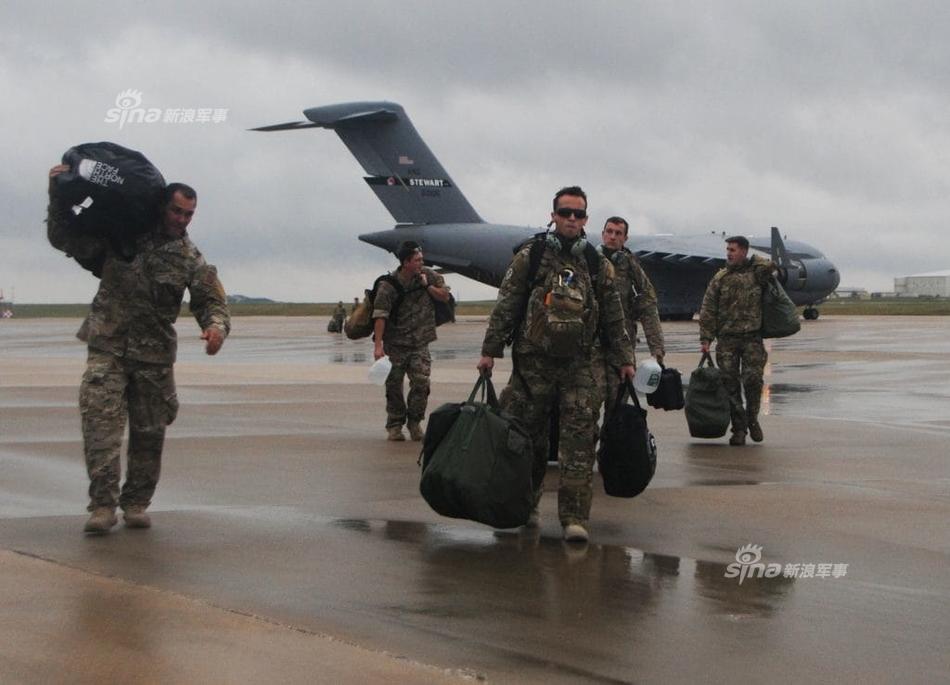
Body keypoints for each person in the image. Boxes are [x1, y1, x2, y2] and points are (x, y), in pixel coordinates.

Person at [47, 166, 231, 534]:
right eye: (177, 211)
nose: (181, 219)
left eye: (189, 214)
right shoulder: (123, 235)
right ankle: (102, 506)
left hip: (154, 357)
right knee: (101, 430)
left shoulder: (189, 257)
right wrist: (56, 193)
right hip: (108, 345)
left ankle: (135, 503)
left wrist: (215, 328)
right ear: (163, 206)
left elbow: (211, 299)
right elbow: (65, 238)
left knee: (149, 435)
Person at [477, 186, 635, 543]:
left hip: (582, 365)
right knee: (526, 437)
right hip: (534, 364)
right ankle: (526, 505)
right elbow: (508, 303)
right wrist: (490, 350)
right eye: (566, 213)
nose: (572, 219)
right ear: (553, 215)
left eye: (578, 214)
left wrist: (625, 359)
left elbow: (614, 315)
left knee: (579, 439)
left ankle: (574, 518)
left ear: (586, 220)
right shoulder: (531, 257)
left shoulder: (597, 264)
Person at [698, 235, 777, 445]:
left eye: (733, 250)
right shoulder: (720, 278)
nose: (729, 254)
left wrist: (755, 261)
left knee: (753, 381)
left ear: (743, 251)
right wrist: (706, 338)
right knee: (729, 386)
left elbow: (771, 267)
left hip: (752, 339)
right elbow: (708, 309)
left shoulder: (757, 274)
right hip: (727, 341)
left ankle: (752, 419)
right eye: (728, 250)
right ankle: (739, 429)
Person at [373, 241, 450, 441]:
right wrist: (378, 346)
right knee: (393, 386)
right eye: (417, 260)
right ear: (406, 262)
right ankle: (395, 424)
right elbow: (380, 316)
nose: (421, 263)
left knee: (422, 383)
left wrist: (427, 286)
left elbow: (444, 296)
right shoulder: (387, 285)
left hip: (420, 343)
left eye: (421, 259)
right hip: (395, 344)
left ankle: (415, 423)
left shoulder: (429, 276)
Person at [595, 216, 665, 418]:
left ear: (625, 238)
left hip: (621, 346)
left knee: (617, 405)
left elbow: (648, 306)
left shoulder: (630, 265)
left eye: (618, 233)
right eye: (609, 232)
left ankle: (610, 448)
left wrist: (657, 349)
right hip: (592, 345)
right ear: (602, 234)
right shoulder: (590, 261)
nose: (612, 237)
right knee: (587, 405)